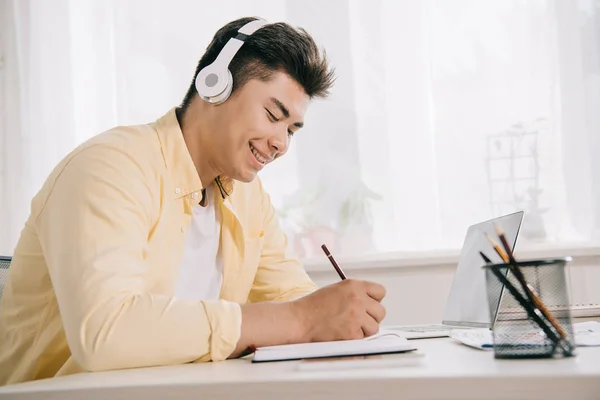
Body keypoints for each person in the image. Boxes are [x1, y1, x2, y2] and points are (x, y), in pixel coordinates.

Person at [0, 16, 386, 385]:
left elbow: (292, 299)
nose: (281, 143)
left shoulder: (248, 198)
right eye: (272, 115)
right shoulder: (110, 167)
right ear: (213, 85)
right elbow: (105, 332)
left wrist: (337, 315)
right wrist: (301, 320)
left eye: (291, 130)